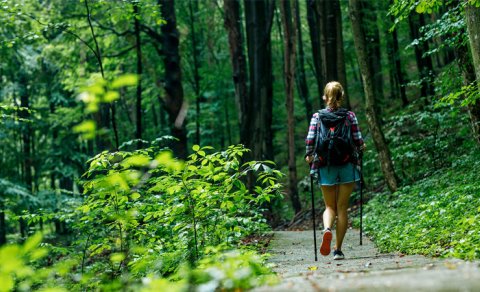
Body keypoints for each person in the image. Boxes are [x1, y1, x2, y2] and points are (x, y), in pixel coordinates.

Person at [305, 81, 366, 260]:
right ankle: (337, 250)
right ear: (342, 96)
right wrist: (362, 147)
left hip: (326, 165)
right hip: (346, 164)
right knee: (342, 208)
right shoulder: (350, 116)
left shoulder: (317, 116)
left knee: (329, 206)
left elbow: (310, 140)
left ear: (325, 97)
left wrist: (309, 155)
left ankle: (327, 229)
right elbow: (358, 140)